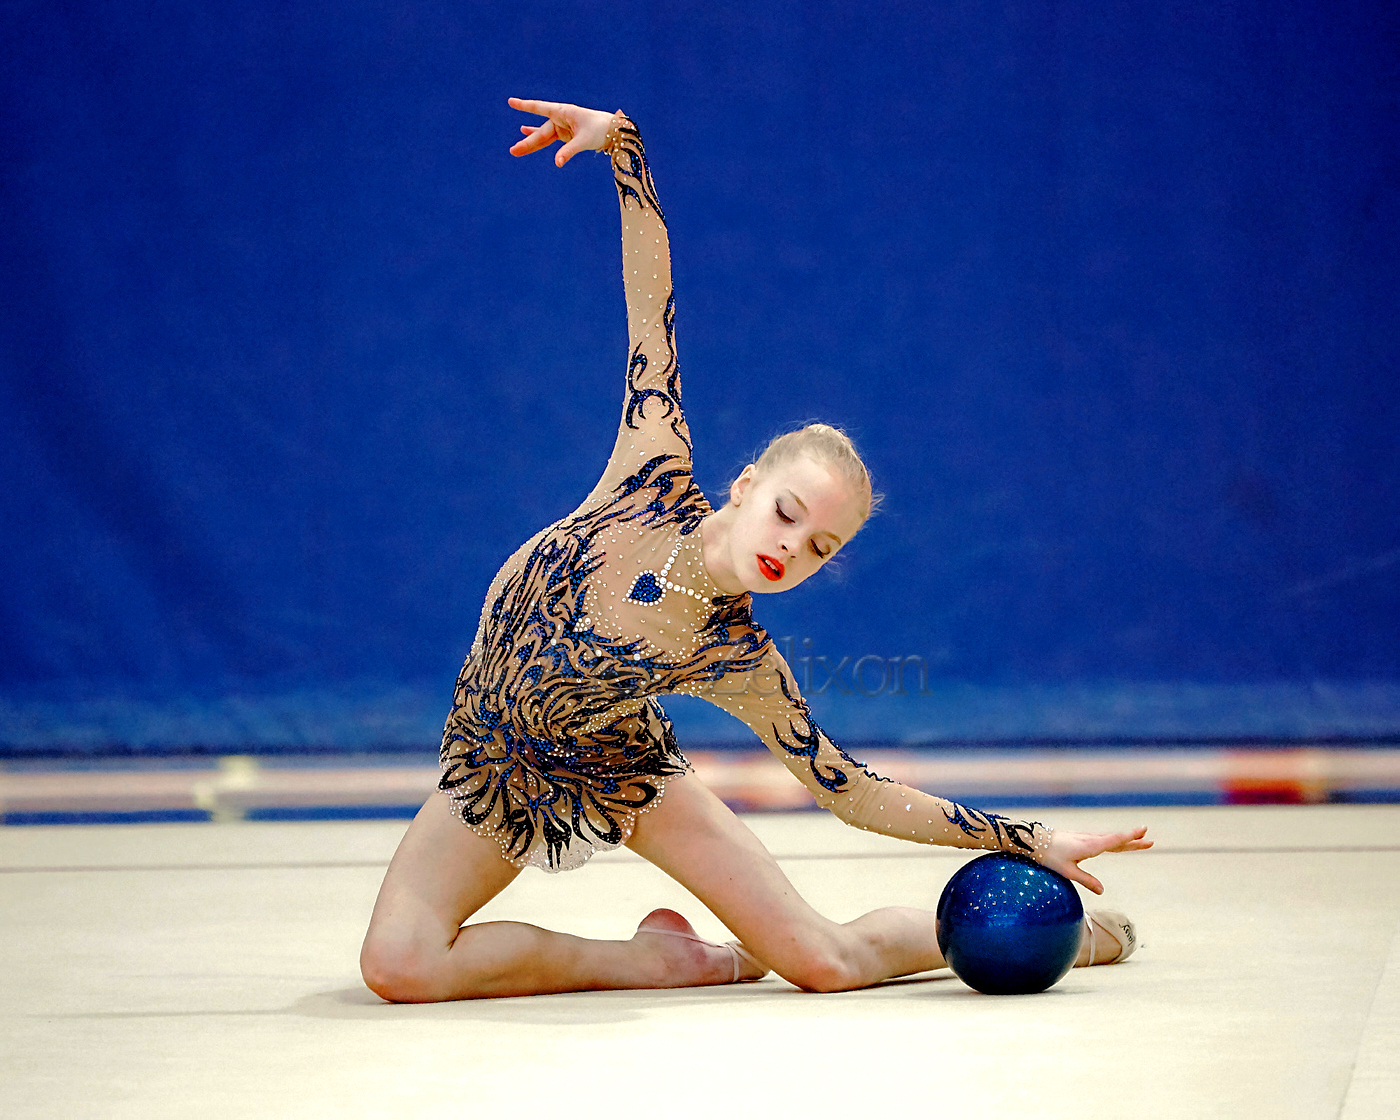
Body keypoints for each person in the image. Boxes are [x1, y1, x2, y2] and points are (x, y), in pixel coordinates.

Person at [359, 97, 1153, 1002]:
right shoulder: (648, 468)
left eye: (818, 546)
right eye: (783, 512)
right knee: (398, 965)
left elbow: (852, 790)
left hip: (622, 768)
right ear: (742, 486)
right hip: (497, 761)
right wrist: (624, 149)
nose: (789, 547)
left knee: (825, 962)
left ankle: (1087, 940)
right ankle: (658, 962)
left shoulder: (739, 657)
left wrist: (1026, 839)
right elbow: (649, 302)